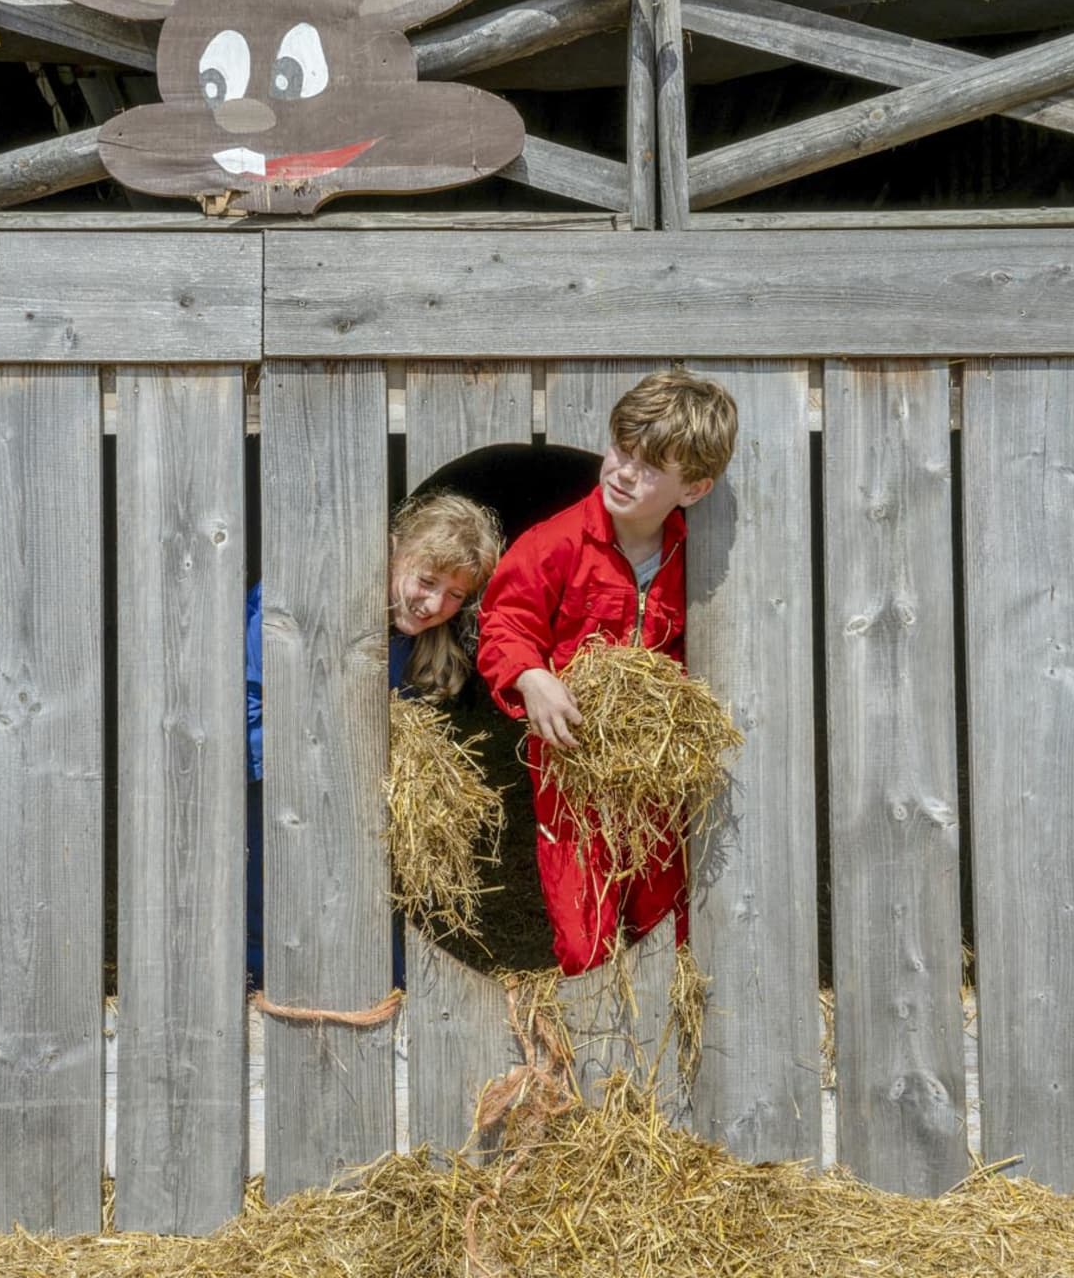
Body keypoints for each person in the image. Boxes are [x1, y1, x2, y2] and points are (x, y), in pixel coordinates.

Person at [476, 369, 739, 976]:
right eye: (622, 450)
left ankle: (666, 1052)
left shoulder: (697, 555)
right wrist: (531, 677)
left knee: (669, 919)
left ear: (693, 488)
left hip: (660, 772)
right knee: (582, 933)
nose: (623, 472)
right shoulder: (555, 544)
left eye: (650, 468)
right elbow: (502, 623)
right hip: (571, 772)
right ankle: (595, 1055)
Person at [245, 491, 504, 988]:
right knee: (271, 888)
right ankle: (266, 987)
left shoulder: (415, 643)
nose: (434, 605)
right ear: (389, 553)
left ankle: (387, 988)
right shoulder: (299, 597)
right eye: (426, 581)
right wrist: (281, 772)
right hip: (276, 782)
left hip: (361, 794)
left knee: (373, 890)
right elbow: (251, 692)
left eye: (455, 595)